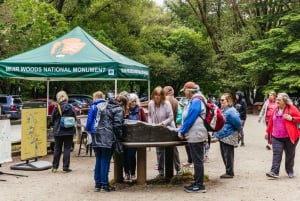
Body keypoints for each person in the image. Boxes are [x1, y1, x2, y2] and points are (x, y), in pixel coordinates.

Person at [85, 91, 124, 192]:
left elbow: (90, 122)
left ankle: (98, 184)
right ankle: (104, 184)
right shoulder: (116, 109)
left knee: (99, 159)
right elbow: (117, 125)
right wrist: (119, 138)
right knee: (105, 160)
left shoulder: (97, 106)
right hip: (107, 136)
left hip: (96, 135)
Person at [177, 81, 207, 193]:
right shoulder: (195, 99)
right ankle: (197, 183)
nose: (184, 93)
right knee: (197, 160)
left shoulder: (196, 100)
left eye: (184, 91)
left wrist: (182, 130)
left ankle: (199, 185)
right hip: (195, 134)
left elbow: (191, 117)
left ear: (189, 91)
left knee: (197, 160)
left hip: (196, 134)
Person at [265, 93, 300, 179]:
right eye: (277, 99)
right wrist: (267, 132)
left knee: (289, 155)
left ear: (285, 101)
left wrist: (292, 118)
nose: (277, 101)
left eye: (279, 100)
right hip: (276, 137)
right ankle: (274, 172)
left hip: (289, 137)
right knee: (277, 154)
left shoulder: (292, 108)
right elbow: (271, 122)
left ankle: (289, 170)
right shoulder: (275, 109)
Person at [148, 86, 175, 177]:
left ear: (162, 96)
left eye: (159, 95)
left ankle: (177, 169)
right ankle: (161, 172)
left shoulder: (167, 104)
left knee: (172, 149)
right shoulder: (151, 103)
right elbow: (150, 116)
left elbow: (171, 117)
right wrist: (151, 124)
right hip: (156, 128)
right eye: (155, 94)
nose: (157, 97)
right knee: (159, 151)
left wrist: (163, 123)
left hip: (168, 127)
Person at [215, 93, 242, 179]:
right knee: (224, 154)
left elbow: (238, 123)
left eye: (223, 100)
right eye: (220, 100)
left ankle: (229, 172)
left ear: (228, 101)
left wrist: (238, 132)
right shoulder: (224, 110)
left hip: (228, 135)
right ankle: (228, 171)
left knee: (228, 155)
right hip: (223, 135)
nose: (221, 101)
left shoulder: (231, 111)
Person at [123, 93, 147, 182]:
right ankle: (126, 173)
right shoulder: (124, 110)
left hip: (135, 137)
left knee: (131, 155)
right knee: (124, 155)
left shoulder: (140, 110)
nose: (132, 103)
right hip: (125, 136)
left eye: (134, 101)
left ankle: (132, 173)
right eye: (130, 101)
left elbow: (145, 122)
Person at [51, 90, 76, 173]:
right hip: (68, 131)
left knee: (57, 149)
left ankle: (54, 167)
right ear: (66, 97)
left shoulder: (56, 107)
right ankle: (65, 167)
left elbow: (52, 119)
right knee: (67, 149)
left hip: (58, 131)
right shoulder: (70, 107)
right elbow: (74, 117)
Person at [163, 86, 182, 175]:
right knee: (174, 149)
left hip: (161, 127)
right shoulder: (175, 102)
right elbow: (179, 116)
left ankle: (161, 171)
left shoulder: (162, 100)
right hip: (172, 127)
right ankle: (178, 168)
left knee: (160, 149)